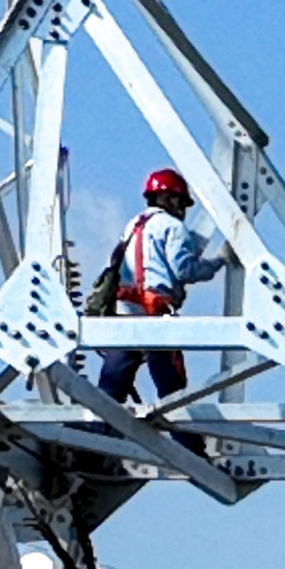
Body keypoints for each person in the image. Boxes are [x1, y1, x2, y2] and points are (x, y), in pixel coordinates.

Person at [94, 167, 213, 409]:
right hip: (156, 316)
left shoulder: (133, 226)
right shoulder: (173, 227)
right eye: (181, 202)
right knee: (173, 396)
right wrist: (217, 263)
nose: (182, 210)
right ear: (168, 197)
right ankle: (189, 446)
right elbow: (185, 270)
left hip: (125, 315)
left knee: (109, 392)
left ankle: (91, 439)